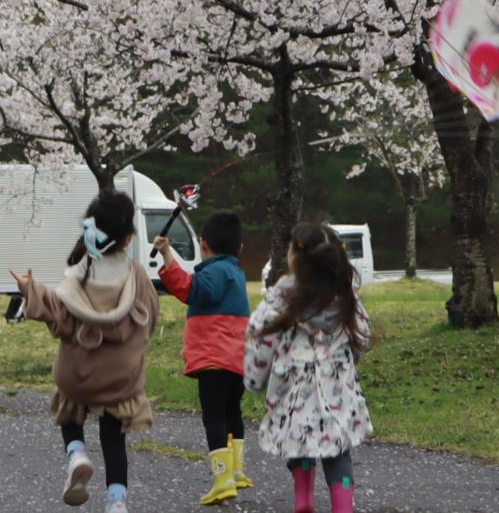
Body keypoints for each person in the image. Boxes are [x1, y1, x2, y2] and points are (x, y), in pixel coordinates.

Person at [13, 190, 158, 513]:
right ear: (128, 237)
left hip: (79, 373)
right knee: (113, 433)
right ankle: (117, 502)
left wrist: (30, 291)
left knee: (69, 406)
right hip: (120, 377)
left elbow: (57, 314)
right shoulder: (136, 275)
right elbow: (151, 317)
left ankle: (77, 453)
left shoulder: (80, 274)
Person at [245, 223, 373, 513]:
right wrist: (351, 358)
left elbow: (260, 342)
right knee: (338, 452)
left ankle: (303, 497)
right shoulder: (346, 299)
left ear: (294, 258)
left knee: (299, 442)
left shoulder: (279, 301)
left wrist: (254, 380)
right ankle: (343, 507)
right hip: (336, 390)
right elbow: (362, 335)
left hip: (294, 391)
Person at [154, 210, 252, 505]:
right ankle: (236, 471)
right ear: (240, 248)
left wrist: (167, 254)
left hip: (213, 360)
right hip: (237, 360)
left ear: (203, 243)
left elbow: (190, 289)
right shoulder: (236, 272)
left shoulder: (214, 272)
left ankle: (222, 479)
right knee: (232, 411)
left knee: (213, 417)